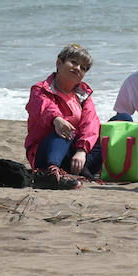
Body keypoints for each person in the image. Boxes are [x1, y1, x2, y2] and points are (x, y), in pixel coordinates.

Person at [25, 43, 102, 186]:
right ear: (59, 63)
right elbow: (43, 108)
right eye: (73, 62)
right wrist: (56, 119)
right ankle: (51, 173)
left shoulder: (83, 96)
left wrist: (81, 151)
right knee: (66, 130)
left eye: (83, 68)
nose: (78, 68)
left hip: (75, 156)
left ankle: (82, 171)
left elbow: (90, 124)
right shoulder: (40, 89)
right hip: (45, 152)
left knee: (105, 130)